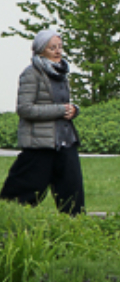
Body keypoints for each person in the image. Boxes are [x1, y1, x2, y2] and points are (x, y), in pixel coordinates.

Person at [1, 30, 84, 214]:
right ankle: (8, 226)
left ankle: (76, 231)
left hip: (65, 141)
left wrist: (73, 110)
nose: (57, 51)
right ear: (40, 50)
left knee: (73, 195)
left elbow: (62, 104)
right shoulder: (31, 74)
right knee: (20, 196)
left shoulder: (61, 73)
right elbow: (25, 109)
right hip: (40, 144)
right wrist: (61, 110)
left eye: (60, 47)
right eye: (52, 47)